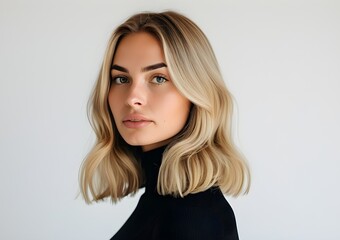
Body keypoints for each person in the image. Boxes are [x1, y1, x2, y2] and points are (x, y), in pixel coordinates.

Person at [79, 11, 250, 240]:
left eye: (158, 78)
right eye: (121, 79)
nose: (132, 98)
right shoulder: (163, 199)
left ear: (196, 92)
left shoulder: (194, 218)